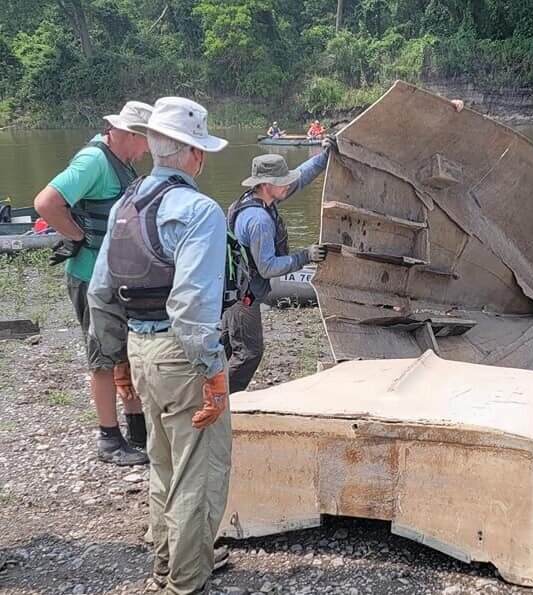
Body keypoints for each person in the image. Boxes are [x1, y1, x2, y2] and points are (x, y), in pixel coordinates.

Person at [87, 96, 232, 594]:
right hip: (181, 354)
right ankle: (186, 582)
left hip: (139, 347)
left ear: (152, 147)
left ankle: (167, 565)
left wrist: (116, 362)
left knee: (163, 461)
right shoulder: (199, 210)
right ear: (195, 155)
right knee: (198, 470)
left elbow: (100, 290)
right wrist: (214, 373)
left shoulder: (127, 202)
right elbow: (192, 309)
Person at [32, 101, 153, 466]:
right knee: (102, 358)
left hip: (114, 277)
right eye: (146, 141)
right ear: (129, 134)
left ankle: (137, 429)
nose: (148, 150)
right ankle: (109, 439)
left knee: (124, 353)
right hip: (90, 278)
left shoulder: (121, 162)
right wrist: (79, 236)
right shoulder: (94, 161)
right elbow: (46, 202)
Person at [222, 144, 333, 392]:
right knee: (249, 353)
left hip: (231, 288)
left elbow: (301, 177)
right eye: (281, 181)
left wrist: (326, 155)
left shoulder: (258, 199)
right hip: (244, 297)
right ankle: (225, 402)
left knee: (226, 346)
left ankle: (207, 396)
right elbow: (268, 267)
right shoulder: (259, 221)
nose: (287, 185)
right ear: (264, 184)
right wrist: (306, 256)